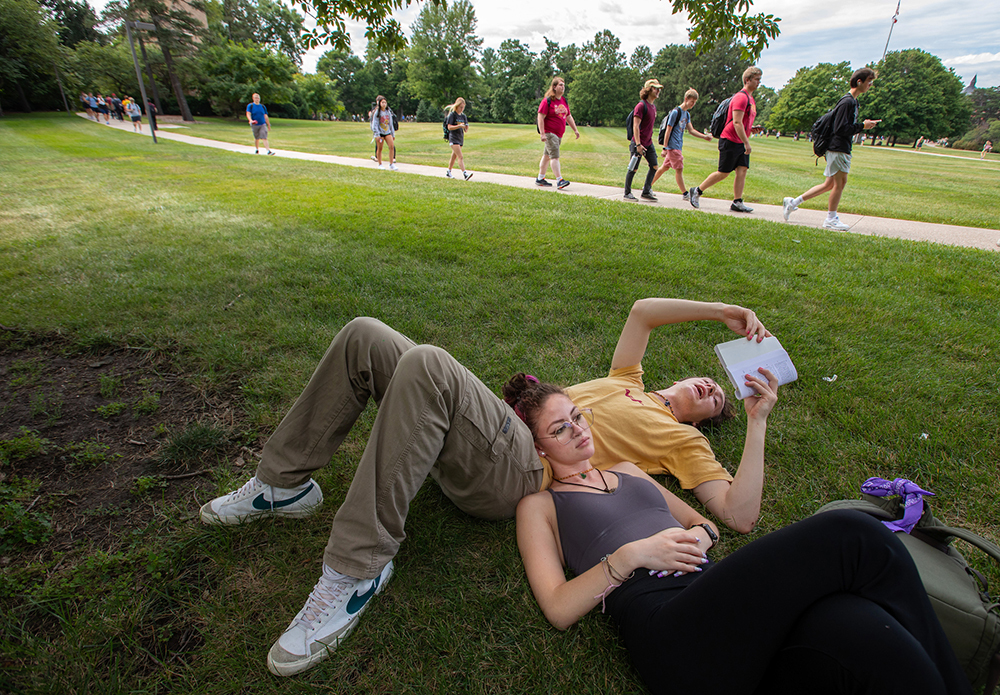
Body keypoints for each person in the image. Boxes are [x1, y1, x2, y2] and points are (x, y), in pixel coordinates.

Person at [198, 298, 771, 675]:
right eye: (709, 383)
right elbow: (643, 312)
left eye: (716, 400)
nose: (709, 390)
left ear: (704, 422)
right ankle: (282, 484)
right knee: (364, 334)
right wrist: (720, 311)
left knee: (427, 363)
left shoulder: (682, 441)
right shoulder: (627, 379)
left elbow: (736, 514)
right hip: (496, 430)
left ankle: (356, 568)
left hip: (523, 470)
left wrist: (753, 420)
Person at [512, 377, 973, 695]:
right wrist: (631, 555)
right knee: (852, 534)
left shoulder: (628, 471)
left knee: (863, 628)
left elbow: (706, 524)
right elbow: (557, 607)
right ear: (538, 447)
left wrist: (701, 538)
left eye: (577, 416)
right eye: (560, 428)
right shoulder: (541, 505)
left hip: (722, 611)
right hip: (669, 629)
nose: (578, 430)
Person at [782, 68, 880, 231]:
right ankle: (831, 219)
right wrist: (863, 126)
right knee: (839, 184)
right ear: (859, 82)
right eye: (869, 81)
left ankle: (792, 203)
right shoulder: (847, 102)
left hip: (839, 148)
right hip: (837, 148)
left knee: (829, 184)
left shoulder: (853, 102)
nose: (870, 84)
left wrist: (863, 124)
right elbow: (840, 128)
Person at [689, 66, 762, 213]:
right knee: (723, 172)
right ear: (747, 80)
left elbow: (742, 121)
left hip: (740, 140)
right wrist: (747, 142)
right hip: (730, 140)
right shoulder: (741, 97)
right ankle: (697, 190)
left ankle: (737, 201)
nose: (759, 82)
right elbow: (736, 122)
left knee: (742, 170)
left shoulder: (750, 99)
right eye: (756, 79)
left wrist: (750, 129)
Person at [650, 88, 713, 200]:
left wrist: (704, 137)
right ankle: (685, 194)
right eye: (692, 101)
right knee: (679, 169)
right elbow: (668, 130)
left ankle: (647, 186)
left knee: (664, 168)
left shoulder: (686, 114)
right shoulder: (676, 112)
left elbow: (691, 130)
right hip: (673, 147)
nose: (693, 104)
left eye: (694, 102)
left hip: (678, 146)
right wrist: (665, 148)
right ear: (686, 99)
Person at [535, 76, 581, 189]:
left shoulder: (563, 100)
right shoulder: (548, 101)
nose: (563, 87)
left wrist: (575, 130)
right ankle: (559, 180)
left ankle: (540, 178)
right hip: (550, 133)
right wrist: (542, 133)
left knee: (546, 156)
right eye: (560, 85)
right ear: (554, 87)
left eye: (563, 85)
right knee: (554, 157)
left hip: (559, 134)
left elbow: (569, 117)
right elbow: (540, 117)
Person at [624, 79, 663, 201]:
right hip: (639, 143)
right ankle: (627, 193)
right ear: (649, 89)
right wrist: (638, 144)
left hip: (648, 143)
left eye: (659, 89)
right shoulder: (641, 106)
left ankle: (646, 191)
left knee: (654, 166)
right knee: (633, 168)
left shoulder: (653, 107)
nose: (658, 91)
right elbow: (636, 125)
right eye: (655, 88)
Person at [444, 97, 472, 180]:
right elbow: (449, 127)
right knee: (460, 156)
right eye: (460, 107)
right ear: (457, 106)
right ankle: (465, 174)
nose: (462, 109)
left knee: (454, 156)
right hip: (453, 138)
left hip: (460, 138)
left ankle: (448, 171)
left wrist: (466, 127)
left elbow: (466, 129)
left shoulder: (463, 116)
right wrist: (459, 126)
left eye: (463, 107)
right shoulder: (452, 115)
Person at [369, 95, 397, 170]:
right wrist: (377, 134)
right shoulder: (377, 112)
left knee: (391, 146)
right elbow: (375, 123)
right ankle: (380, 164)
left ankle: (391, 164)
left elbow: (390, 123)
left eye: (385, 102)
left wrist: (392, 133)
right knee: (380, 148)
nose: (384, 104)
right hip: (380, 133)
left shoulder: (388, 112)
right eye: (382, 102)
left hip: (387, 132)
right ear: (379, 103)